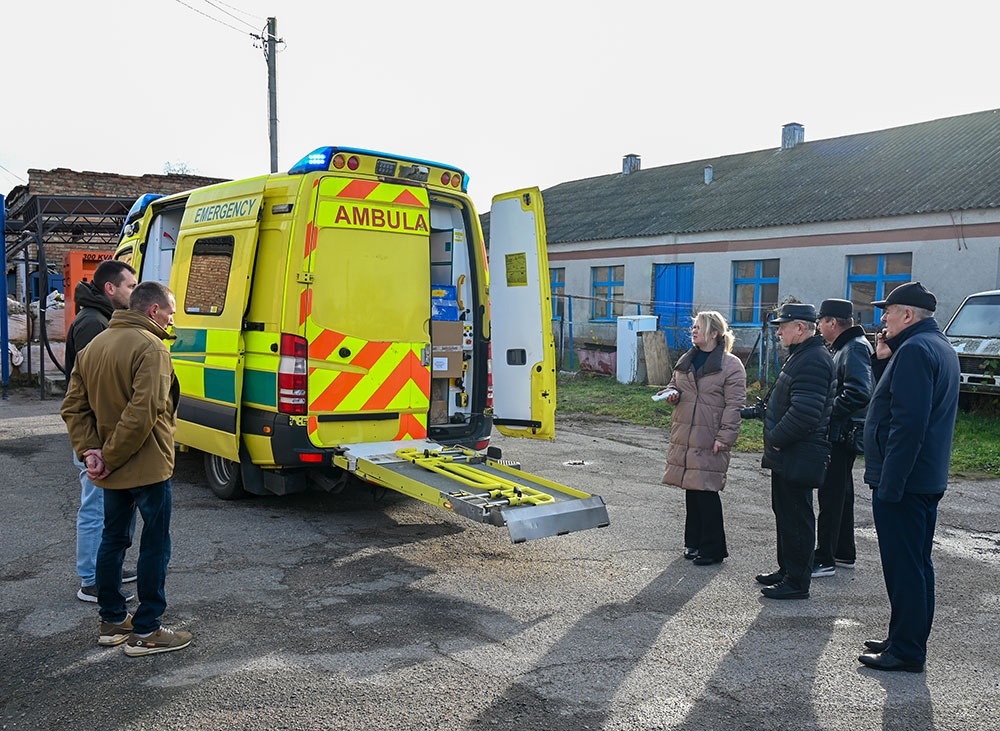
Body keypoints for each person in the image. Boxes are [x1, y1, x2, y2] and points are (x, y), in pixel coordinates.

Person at [61, 281, 193, 656]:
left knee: (113, 540)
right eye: (170, 311)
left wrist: (92, 453)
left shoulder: (92, 349)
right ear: (153, 311)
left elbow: (74, 408)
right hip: (147, 467)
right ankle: (148, 630)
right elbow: (144, 412)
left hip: (110, 469)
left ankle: (113, 621)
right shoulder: (151, 348)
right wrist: (109, 456)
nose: (172, 319)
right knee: (155, 545)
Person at [858, 282, 959, 673]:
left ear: (908, 315)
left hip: (906, 480)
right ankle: (904, 636)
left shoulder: (916, 350)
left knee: (905, 567)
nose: (882, 318)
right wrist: (884, 360)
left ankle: (907, 650)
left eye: (889, 311)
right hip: (923, 477)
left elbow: (909, 424)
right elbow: (903, 401)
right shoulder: (934, 345)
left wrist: (891, 483)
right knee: (916, 565)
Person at [65, 259, 139, 603]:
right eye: (130, 286)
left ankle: (107, 566)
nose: (135, 292)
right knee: (95, 506)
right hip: (96, 435)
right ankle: (91, 579)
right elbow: (92, 390)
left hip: (104, 431)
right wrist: (97, 444)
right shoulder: (92, 324)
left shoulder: (102, 319)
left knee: (110, 506)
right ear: (111, 289)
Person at [753, 303, 835, 600]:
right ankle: (788, 569)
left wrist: (776, 439)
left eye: (782, 327)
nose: (778, 332)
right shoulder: (802, 355)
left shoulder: (812, 359)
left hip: (796, 451)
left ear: (800, 328)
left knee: (797, 516)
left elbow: (805, 412)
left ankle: (797, 581)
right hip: (788, 452)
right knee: (785, 512)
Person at [658, 311, 746, 566]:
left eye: (699, 327)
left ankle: (713, 548)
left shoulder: (730, 365)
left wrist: (725, 437)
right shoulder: (687, 360)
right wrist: (671, 393)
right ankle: (693, 542)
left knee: (707, 490)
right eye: (694, 327)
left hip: (710, 435)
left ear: (714, 333)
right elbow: (673, 385)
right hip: (687, 433)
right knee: (692, 489)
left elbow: (735, 405)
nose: (694, 331)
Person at [812, 298, 873, 577]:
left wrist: (827, 412)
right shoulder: (847, 346)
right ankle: (842, 551)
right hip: (842, 432)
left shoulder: (854, 348)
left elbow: (860, 391)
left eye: (821, 322)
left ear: (832, 323)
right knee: (841, 494)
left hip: (842, 433)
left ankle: (825, 558)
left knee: (832, 496)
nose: (819, 328)